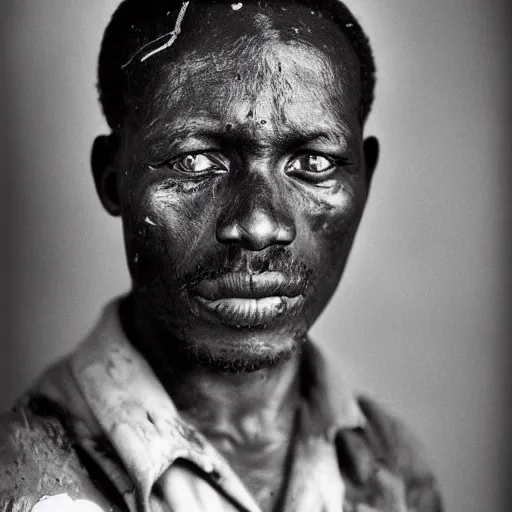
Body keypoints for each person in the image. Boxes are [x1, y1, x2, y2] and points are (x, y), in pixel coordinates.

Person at [0, 1, 443, 511]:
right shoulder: (21, 477)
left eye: (313, 162)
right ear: (111, 177)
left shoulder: (394, 468)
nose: (257, 225)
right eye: (194, 160)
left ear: (365, 178)